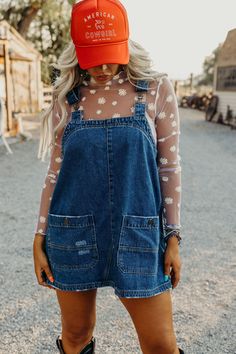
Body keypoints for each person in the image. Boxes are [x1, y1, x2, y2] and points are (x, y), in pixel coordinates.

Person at [33, 0, 184, 353]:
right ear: (76, 50)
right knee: (75, 336)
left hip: (139, 232)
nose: (101, 67)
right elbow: (54, 172)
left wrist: (174, 236)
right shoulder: (66, 98)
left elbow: (170, 166)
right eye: (92, 56)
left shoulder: (156, 89)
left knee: (161, 343)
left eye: (110, 53)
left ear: (126, 43)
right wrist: (39, 236)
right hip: (72, 233)